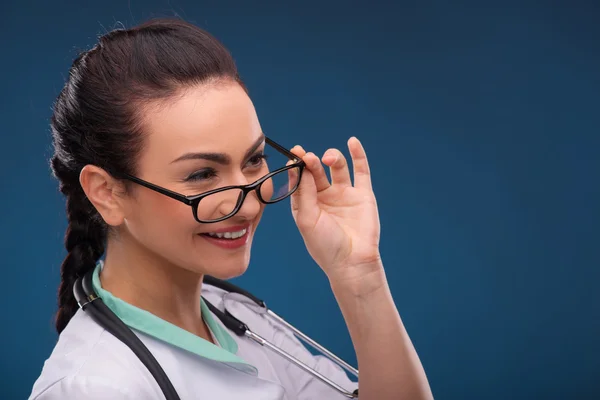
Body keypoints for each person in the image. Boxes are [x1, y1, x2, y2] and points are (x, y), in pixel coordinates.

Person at [29, 18, 433, 400]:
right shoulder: (96, 388)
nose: (248, 202)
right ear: (107, 193)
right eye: (203, 173)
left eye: (254, 159)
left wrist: (360, 276)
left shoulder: (235, 317)